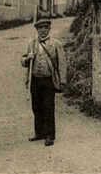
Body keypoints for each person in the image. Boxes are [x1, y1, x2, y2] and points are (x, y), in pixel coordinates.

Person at [22, 18, 67, 146]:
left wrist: (62, 81)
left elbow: (62, 63)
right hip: (35, 79)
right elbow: (23, 60)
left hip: (49, 80)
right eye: (40, 28)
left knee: (48, 107)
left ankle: (49, 135)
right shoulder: (32, 43)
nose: (42, 30)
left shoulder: (56, 44)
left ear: (49, 29)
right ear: (37, 30)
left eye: (45, 28)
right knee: (36, 107)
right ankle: (39, 133)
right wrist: (27, 59)